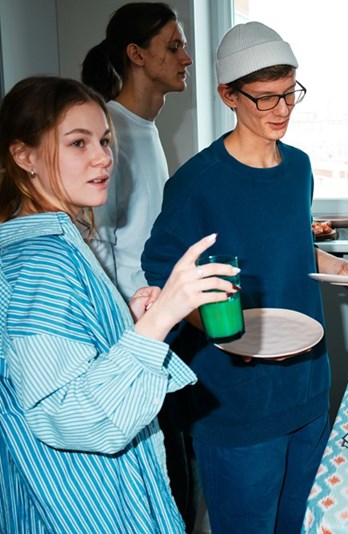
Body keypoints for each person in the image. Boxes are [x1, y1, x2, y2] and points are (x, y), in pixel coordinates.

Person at [141, 22, 348, 533]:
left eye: (290, 93)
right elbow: (161, 276)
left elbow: (289, 244)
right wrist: (222, 332)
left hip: (309, 385)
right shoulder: (197, 184)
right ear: (228, 95)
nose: (283, 111)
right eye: (265, 99)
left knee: (304, 521)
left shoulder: (299, 167)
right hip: (238, 399)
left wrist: (340, 269)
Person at [0, 76, 239, 532]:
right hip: (83, 508)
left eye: (105, 140)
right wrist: (165, 315)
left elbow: (58, 364)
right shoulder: (41, 260)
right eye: (77, 143)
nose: (103, 157)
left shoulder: (51, 242)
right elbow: (68, 416)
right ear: (23, 156)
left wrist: (126, 323)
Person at [81, 2, 193, 301]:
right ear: (137, 54)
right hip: (132, 314)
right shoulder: (107, 131)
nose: (187, 59)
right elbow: (96, 241)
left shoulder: (145, 127)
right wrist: (125, 320)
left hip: (156, 305)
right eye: (173, 48)